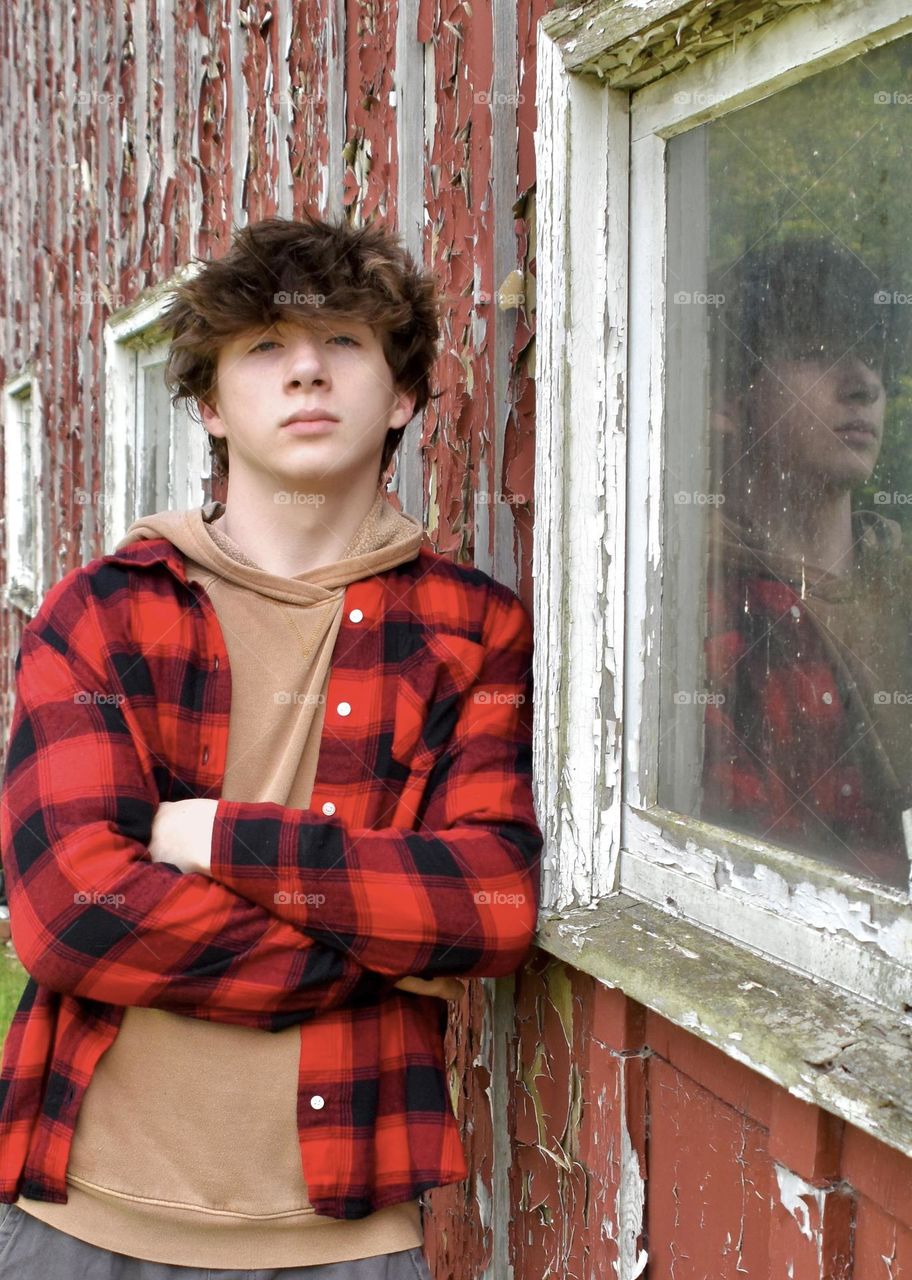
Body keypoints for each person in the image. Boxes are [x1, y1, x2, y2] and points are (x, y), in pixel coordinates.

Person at [0, 212, 543, 1277]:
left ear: (401, 394)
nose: (305, 371)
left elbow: (491, 903)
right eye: (263, 348)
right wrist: (376, 946)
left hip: (341, 1233)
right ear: (209, 401)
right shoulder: (102, 610)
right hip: (85, 1212)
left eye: (344, 342)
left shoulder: (473, 628)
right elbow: (71, 917)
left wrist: (216, 839)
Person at [699, 236, 912, 890]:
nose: (863, 384)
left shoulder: (902, 585)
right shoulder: (702, 610)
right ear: (730, 404)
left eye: (873, 357)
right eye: (819, 354)